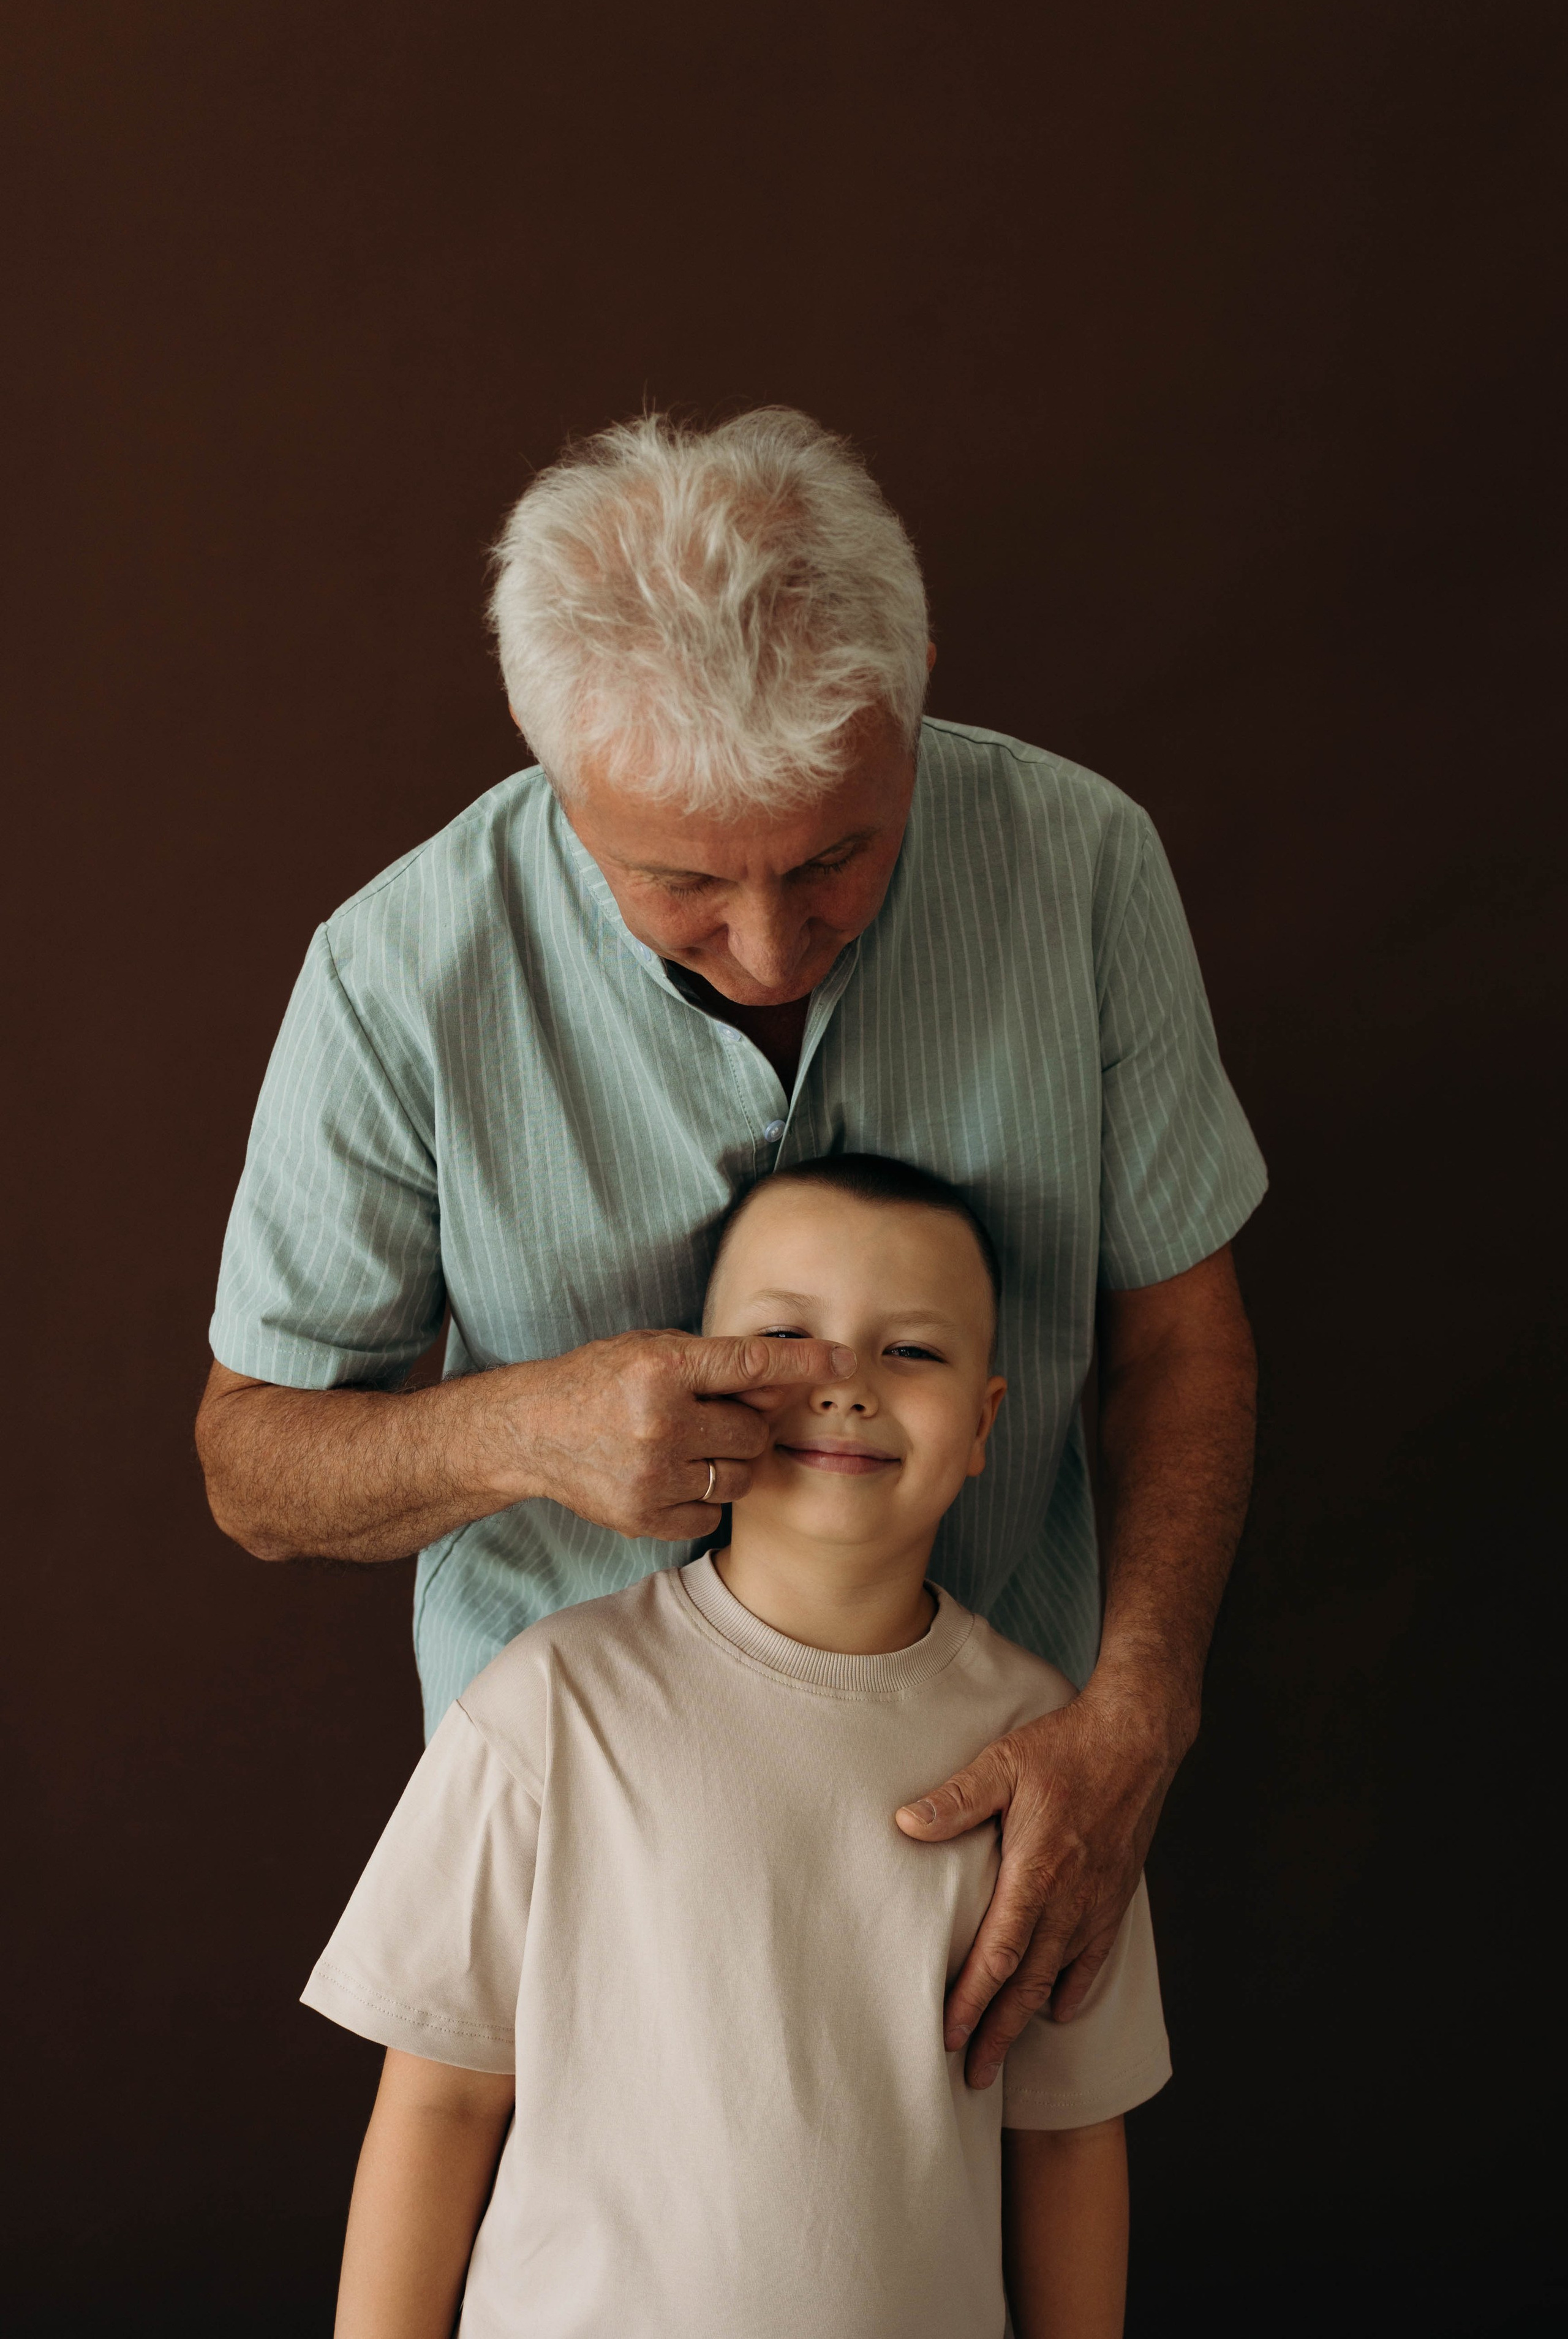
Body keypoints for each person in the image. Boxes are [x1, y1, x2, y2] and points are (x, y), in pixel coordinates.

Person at [197, 405, 1263, 2090]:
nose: (769, 944)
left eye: (841, 854)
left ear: (911, 709)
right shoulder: (395, 973)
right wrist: (516, 1430)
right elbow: (249, 1465)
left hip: (1000, 1832)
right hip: (590, 1884)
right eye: (681, 880)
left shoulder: (1083, 867)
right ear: (561, 784)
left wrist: (1142, 1709)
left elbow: (1182, 1337)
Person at [307, 1157, 1171, 2339]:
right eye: (786, 1338)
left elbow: (1070, 2143)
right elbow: (441, 2106)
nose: (847, 1385)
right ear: (699, 1383)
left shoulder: (1055, 1761)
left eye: (912, 1350)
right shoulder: (555, 1703)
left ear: (983, 1423)